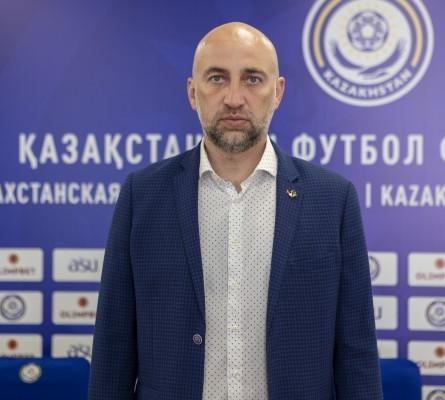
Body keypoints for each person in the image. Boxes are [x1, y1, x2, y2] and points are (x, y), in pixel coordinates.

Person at [88, 22, 382, 400]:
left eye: (252, 79)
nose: (233, 98)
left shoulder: (332, 200)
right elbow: (113, 347)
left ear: (278, 92)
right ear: (192, 92)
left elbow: (357, 352)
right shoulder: (142, 196)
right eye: (217, 78)